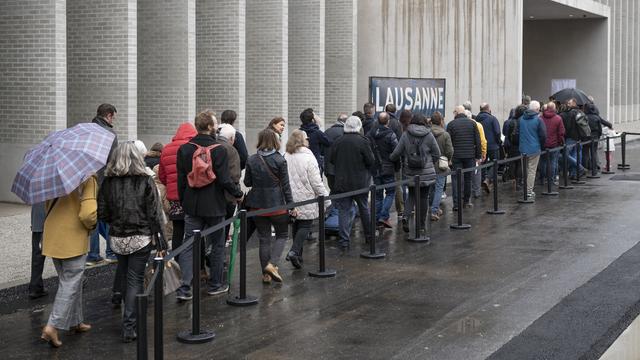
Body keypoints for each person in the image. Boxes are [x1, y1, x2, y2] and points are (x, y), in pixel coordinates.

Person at [98, 142, 165, 342]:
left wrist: (116, 222)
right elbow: (154, 214)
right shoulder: (145, 181)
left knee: (126, 274)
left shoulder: (108, 182)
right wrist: (160, 240)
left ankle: (129, 316)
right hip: (140, 236)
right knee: (135, 279)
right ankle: (130, 325)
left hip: (118, 236)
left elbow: (102, 212)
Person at [176, 112, 243, 300]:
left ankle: (185, 287)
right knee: (217, 244)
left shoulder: (185, 149)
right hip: (214, 205)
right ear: (211, 127)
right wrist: (237, 194)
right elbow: (224, 180)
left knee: (188, 244)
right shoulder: (219, 149)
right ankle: (215, 284)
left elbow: (181, 180)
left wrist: (184, 200)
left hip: (192, 204)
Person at [40, 175, 98, 348]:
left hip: (53, 236)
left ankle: (76, 321)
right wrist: (92, 226)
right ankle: (53, 325)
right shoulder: (88, 178)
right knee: (70, 283)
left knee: (70, 282)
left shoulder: (51, 177)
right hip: (73, 238)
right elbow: (88, 214)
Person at [244, 129, 294, 283]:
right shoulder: (280, 160)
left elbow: (247, 183)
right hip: (277, 204)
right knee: (282, 235)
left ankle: (265, 275)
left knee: (264, 239)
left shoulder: (252, 159)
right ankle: (272, 265)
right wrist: (291, 206)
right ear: (275, 141)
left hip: (257, 206)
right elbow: (285, 186)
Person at [328, 116, 375, 250]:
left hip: (342, 182)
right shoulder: (363, 141)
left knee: (344, 211)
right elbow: (370, 161)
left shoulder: (338, 141)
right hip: (360, 182)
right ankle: (369, 236)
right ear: (359, 126)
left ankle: (344, 240)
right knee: (364, 208)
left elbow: (332, 159)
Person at [284, 130, 329, 268]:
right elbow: (316, 182)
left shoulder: (285, 155)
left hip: (290, 196)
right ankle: (294, 251)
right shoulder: (309, 157)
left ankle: (298, 256)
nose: (308, 141)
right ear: (302, 141)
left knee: (296, 224)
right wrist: (326, 198)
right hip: (306, 196)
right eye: (306, 139)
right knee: (305, 224)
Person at [390, 113, 440, 237]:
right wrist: (429, 162)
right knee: (423, 197)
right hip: (426, 173)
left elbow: (397, 152)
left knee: (411, 195)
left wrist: (390, 159)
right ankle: (421, 225)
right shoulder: (429, 135)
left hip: (411, 171)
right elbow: (437, 153)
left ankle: (406, 217)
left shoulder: (406, 134)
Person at [159, 122, 197, 263]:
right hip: (190, 195)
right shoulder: (193, 148)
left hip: (174, 197)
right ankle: (192, 263)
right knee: (193, 230)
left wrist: (170, 186)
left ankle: (178, 260)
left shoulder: (167, 148)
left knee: (177, 230)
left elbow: (162, 175)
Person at [87, 103, 118, 266]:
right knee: (108, 216)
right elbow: (113, 162)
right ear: (109, 115)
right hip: (105, 181)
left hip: (88, 180)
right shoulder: (110, 134)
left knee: (92, 217)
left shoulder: (86, 131)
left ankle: (92, 255)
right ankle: (111, 252)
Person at [367, 112, 399, 228]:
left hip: (375, 168)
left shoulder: (370, 134)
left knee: (378, 194)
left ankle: (376, 219)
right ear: (388, 121)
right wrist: (394, 163)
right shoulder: (391, 135)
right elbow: (396, 152)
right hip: (388, 168)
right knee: (390, 192)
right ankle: (383, 216)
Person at [447, 105, 481, 210]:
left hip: (456, 156)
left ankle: (456, 204)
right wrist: (478, 156)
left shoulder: (451, 124)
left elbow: (449, 143)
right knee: (468, 179)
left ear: (456, 113)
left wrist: (449, 157)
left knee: (456, 179)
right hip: (470, 156)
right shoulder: (472, 123)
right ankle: (467, 201)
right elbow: (477, 141)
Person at [217, 124, 242, 243]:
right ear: (231, 138)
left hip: (212, 195)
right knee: (224, 229)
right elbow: (234, 176)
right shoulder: (231, 150)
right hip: (227, 196)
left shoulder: (213, 145)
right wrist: (238, 193)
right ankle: (218, 258)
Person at [519, 101, 547, 201]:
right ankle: (529, 191)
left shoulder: (521, 119)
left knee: (525, 170)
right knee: (532, 170)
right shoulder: (538, 120)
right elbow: (543, 135)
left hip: (523, 148)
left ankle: (526, 189)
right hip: (534, 148)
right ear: (537, 109)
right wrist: (541, 145)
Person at [429, 112, 453, 221]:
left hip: (429, 164)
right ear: (441, 121)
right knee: (439, 188)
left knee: (431, 188)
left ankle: (432, 208)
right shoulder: (445, 134)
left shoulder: (427, 133)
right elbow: (449, 151)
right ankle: (434, 210)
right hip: (441, 164)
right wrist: (447, 158)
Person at [476, 103, 502, 191]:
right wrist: (499, 142)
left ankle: (482, 182)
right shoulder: (493, 119)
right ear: (488, 109)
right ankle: (487, 180)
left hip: (481, 145)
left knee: (482, 163)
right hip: (493, 145)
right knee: (495, 162)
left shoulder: (476, 119)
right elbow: (497, 132)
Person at [559, 98, 586, 178]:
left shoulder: (569, 113)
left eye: (569, 103)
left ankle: (580, 168)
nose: (568, 104)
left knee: (565, 155)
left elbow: (567, 127)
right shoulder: (581, 113)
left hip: (570, 137)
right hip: (579, 137)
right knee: (575, 155)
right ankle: (574, 173)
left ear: (574, 103)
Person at [539, 102, 565, 185]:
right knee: (553, 162)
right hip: (554, 144)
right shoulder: (558, 118)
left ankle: (542, 179)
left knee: (543, 162)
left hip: (543, 144)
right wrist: (561, 141)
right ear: (554, 108)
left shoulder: (540, 118)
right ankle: (551, 179)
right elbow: (561, 132)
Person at [300, 109, 331, 175]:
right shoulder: (317, 133)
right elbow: (328, 142)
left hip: (301, 162)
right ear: (312, 120)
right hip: (315, 162)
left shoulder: (299, 132)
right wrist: (318, 123)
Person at [584, 102, 613, 172]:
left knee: (585, 153)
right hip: (595, 137)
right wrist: (598, 135)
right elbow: (600, 129)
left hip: (586, 137)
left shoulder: (584, 117)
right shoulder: (596, 117)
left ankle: (585, 167)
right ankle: (594, 168)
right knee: (593, 153)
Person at [324, 113, 348, 190]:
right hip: (341, 169)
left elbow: (322, 150)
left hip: (328, 168)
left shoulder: (327, 131)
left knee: (333, 191)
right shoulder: (345, 133)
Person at [29, 202, 47, 299]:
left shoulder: (37, 188)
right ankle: (74, 281)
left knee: (37, 256)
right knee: (61, 252)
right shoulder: (55, 187)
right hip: (50, 221)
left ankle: (35, 287)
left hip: (37, 221)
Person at [467, 110, 487, 199]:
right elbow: (482, 141)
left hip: (465, 152)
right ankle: (477, 191)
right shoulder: (478, 125)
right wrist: (483, 152)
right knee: (477, 171)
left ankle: (468, 192)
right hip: (475, 151)